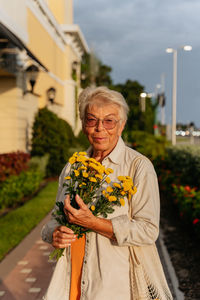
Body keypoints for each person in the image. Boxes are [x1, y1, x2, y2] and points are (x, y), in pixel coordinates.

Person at [42, 86, 172, 300]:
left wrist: (94, 223)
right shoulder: (73, 166)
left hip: (113, 285)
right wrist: (54, 233)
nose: (100, 128)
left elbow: (149, 230)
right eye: (92, 120)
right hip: (69, 280)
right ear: (84, 125)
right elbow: (53, 222)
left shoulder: (138, 167)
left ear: (121, 126)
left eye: (109, 121)